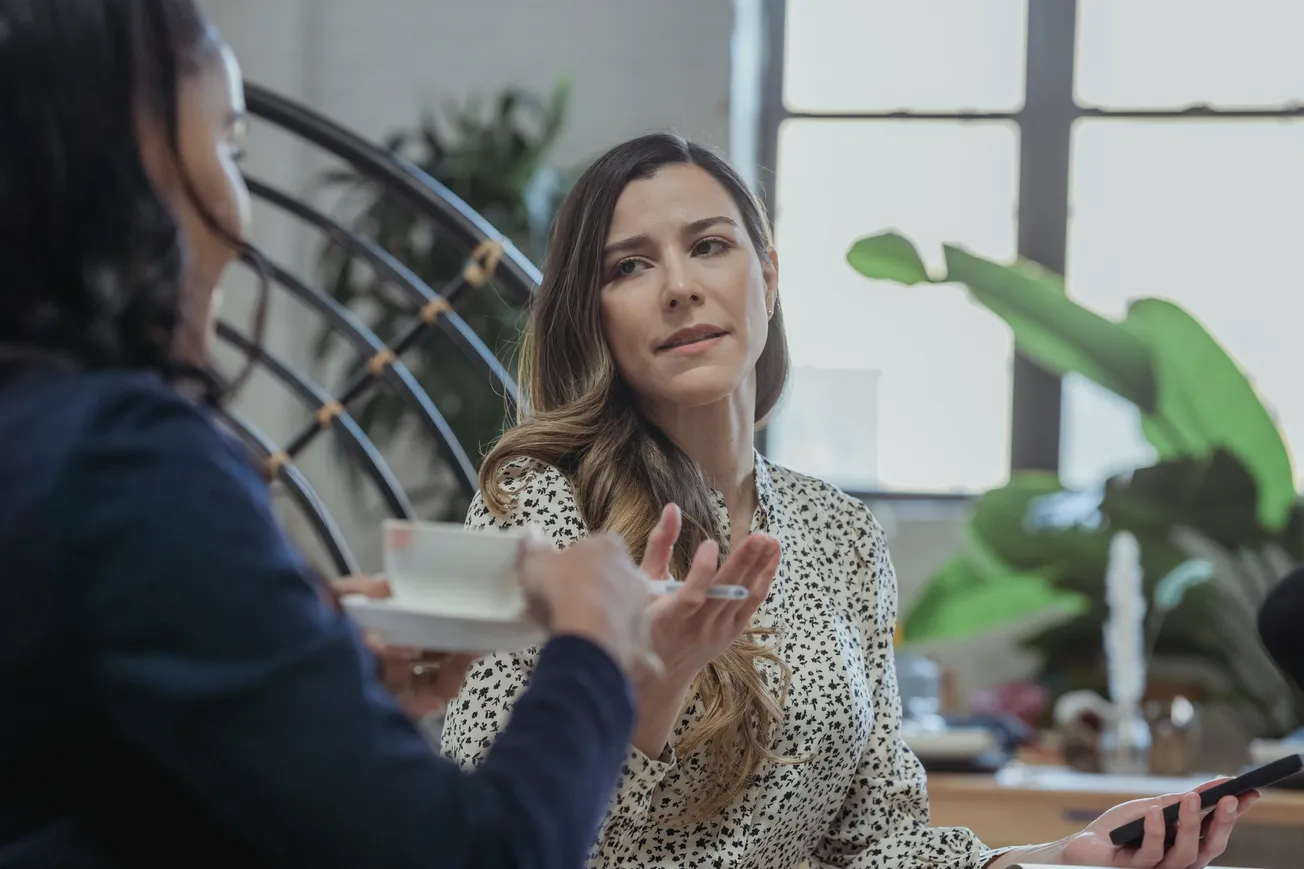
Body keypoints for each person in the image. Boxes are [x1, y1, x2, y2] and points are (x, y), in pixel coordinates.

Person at [440, 132, 1258, 869]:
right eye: (630, 265)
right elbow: (488, 845)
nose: (680, 287)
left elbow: (881, 843)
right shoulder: (535, 508)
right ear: (595, 313)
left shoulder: (841, 531)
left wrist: (1061, 856)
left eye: (709, 245)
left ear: (766, 273)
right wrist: (649, 689)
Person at [0, 2, 660, 867]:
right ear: (134, 157)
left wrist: (298, 662)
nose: (241, 222)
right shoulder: (128, 459)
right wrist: (593, 642)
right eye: (231, 151)